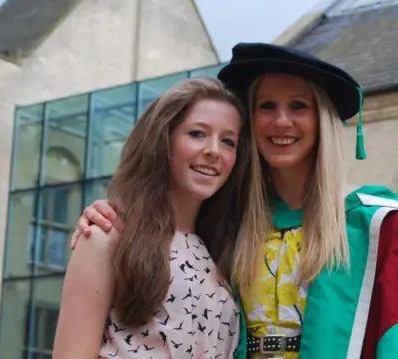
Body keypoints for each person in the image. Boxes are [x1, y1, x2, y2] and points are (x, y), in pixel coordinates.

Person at [70, 43, 398, 359]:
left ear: (322, 120)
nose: (281, 122)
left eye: (299, 106)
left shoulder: (377, 230)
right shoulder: (227, 225)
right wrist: (105, 217)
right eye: (267, 106)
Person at [53, 77, 251, 359]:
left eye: (228, 141)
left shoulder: (226, 253)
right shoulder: (108, 235)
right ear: (163, 140)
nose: (213, 150)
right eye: (197, 134)